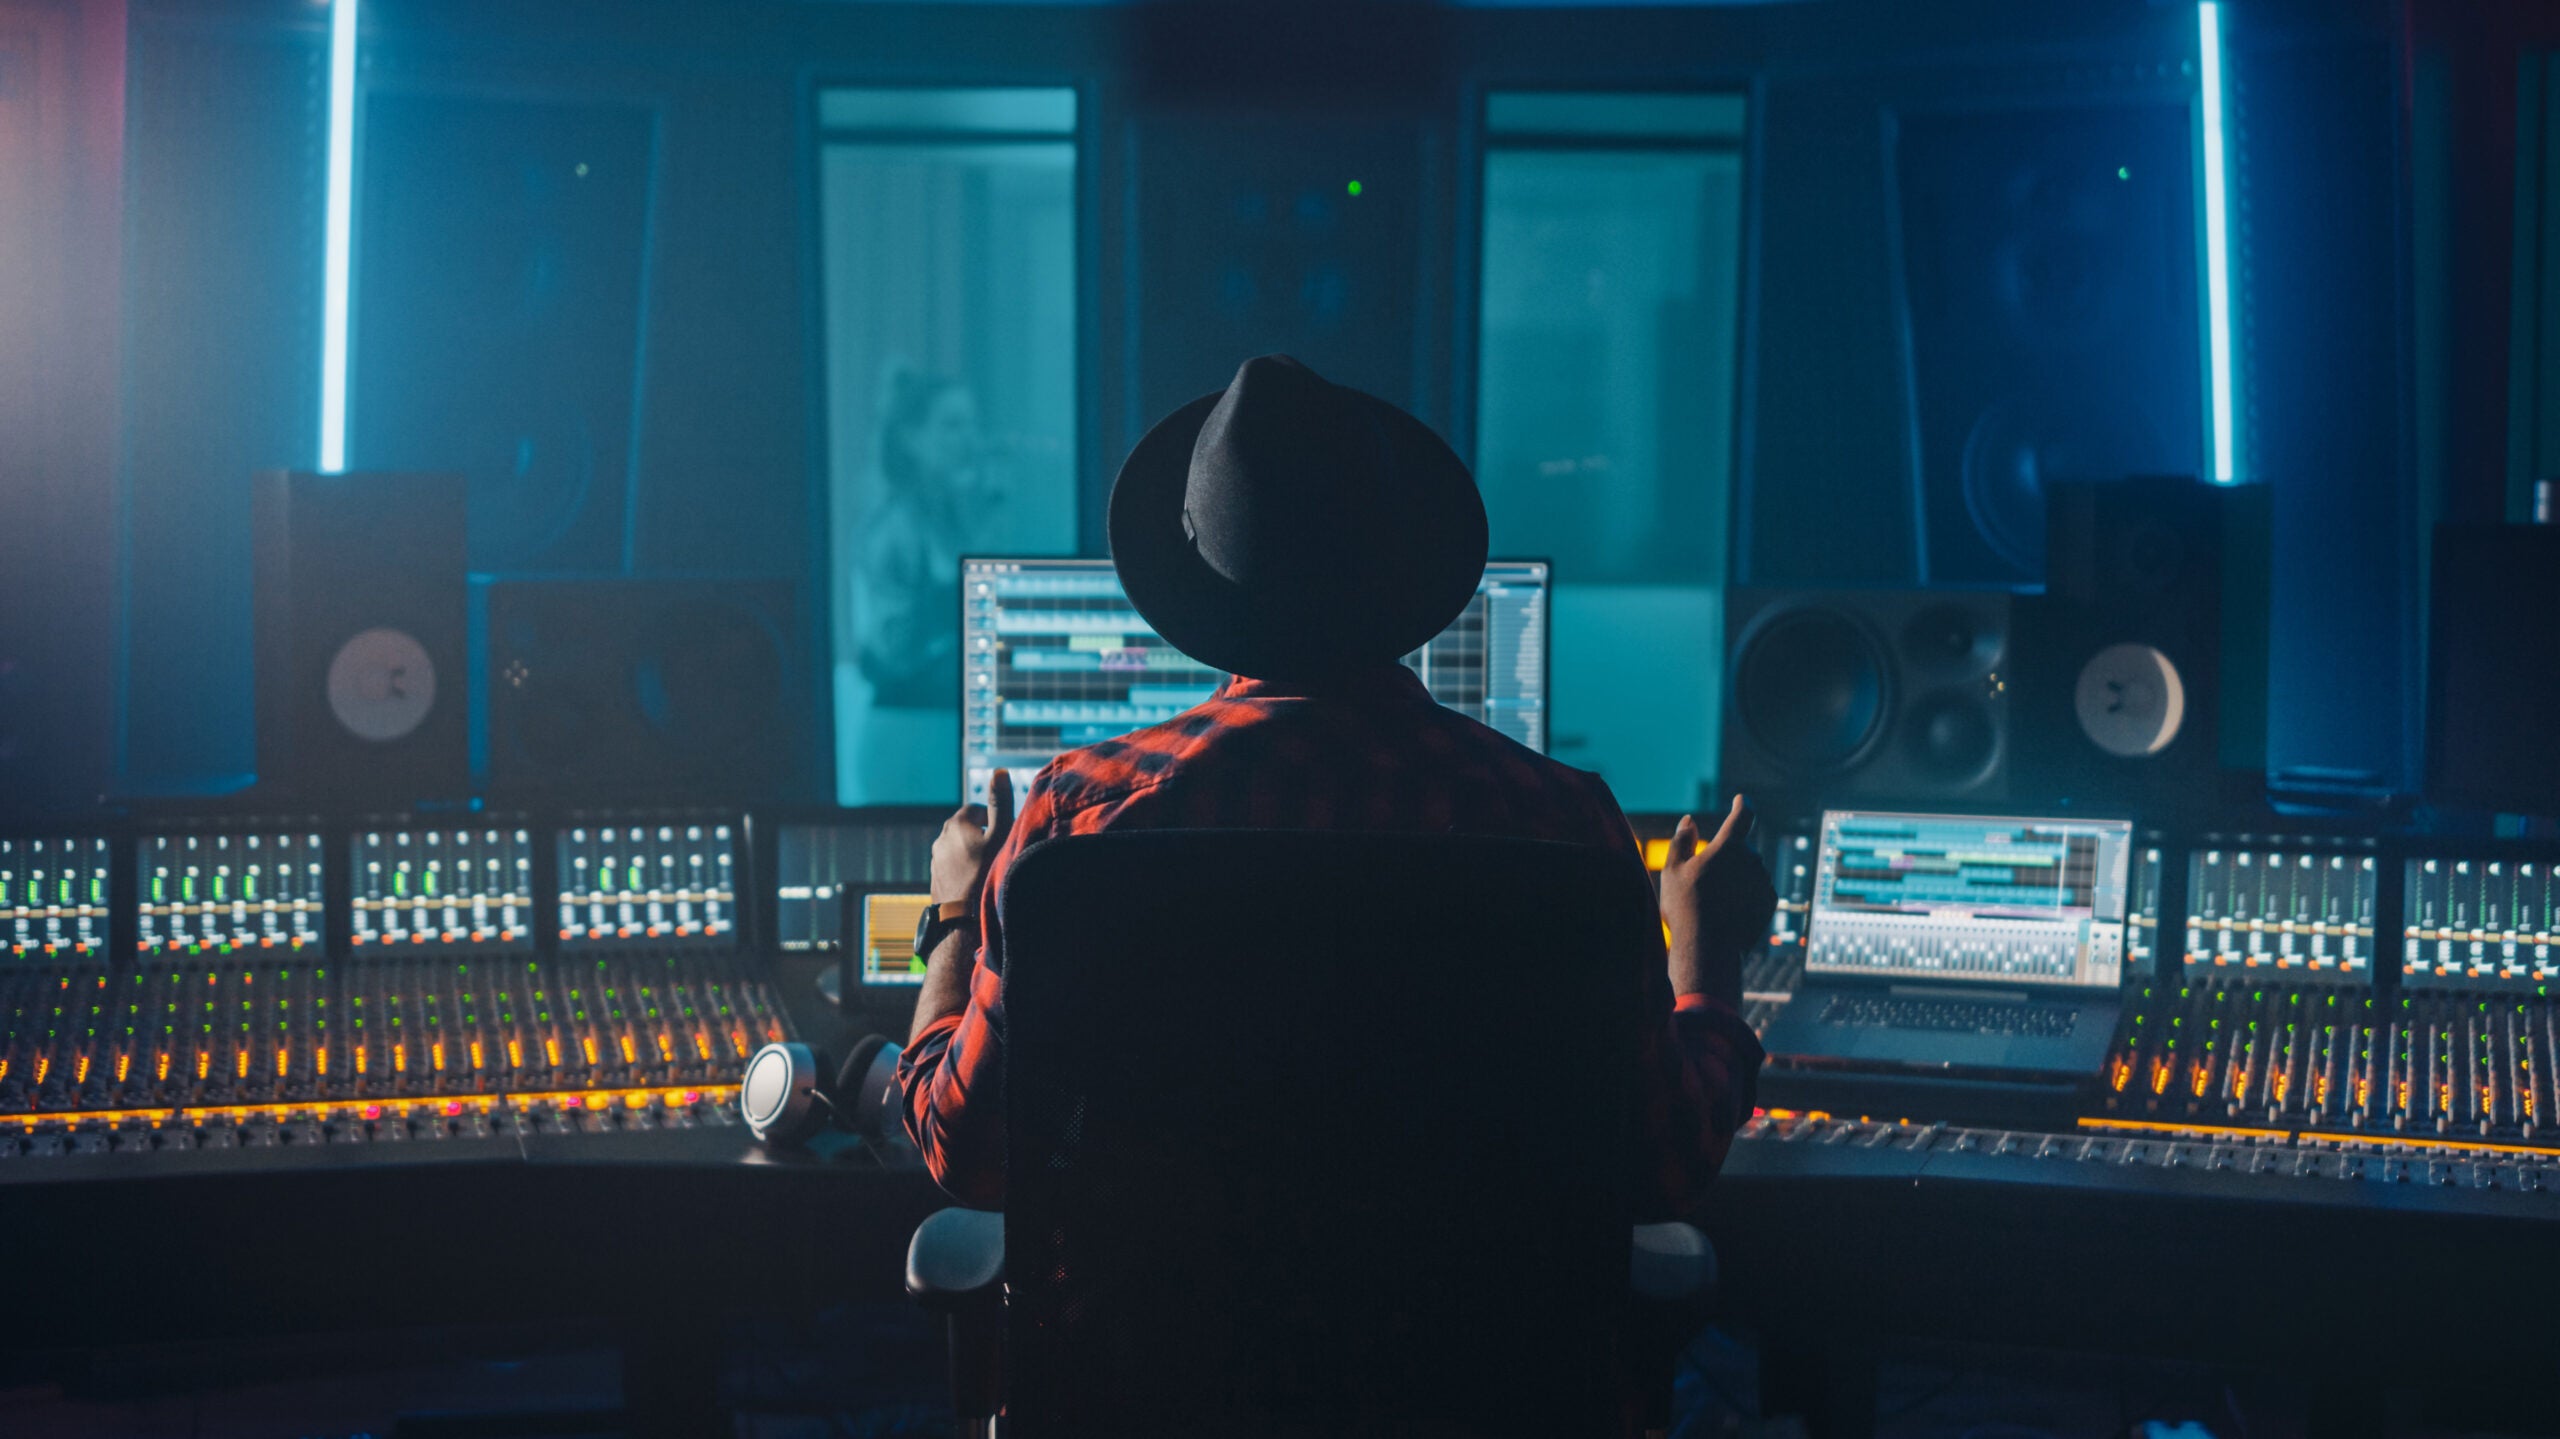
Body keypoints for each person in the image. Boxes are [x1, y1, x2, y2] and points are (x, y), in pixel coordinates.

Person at [896, 355, 1774, 1217]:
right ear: (1403, 567)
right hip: (1472, 1363)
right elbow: (1667, 1164)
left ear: (1195, 578)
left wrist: (950, 921)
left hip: (1157, 1361)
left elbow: (966, 1155)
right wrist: (1703, 949)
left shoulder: (1073, 820)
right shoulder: (1562, 823)